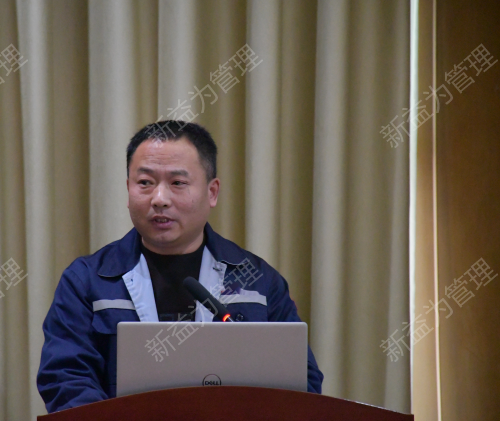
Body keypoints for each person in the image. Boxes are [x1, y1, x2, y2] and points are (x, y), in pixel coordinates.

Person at [37, 121, 323, 413]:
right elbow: (65, 379)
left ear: (212, 192)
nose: (159, 199)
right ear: (128, 189)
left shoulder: (259, 283)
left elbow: (302, 382)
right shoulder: (86, 281)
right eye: (145, 183)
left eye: (177, 183)